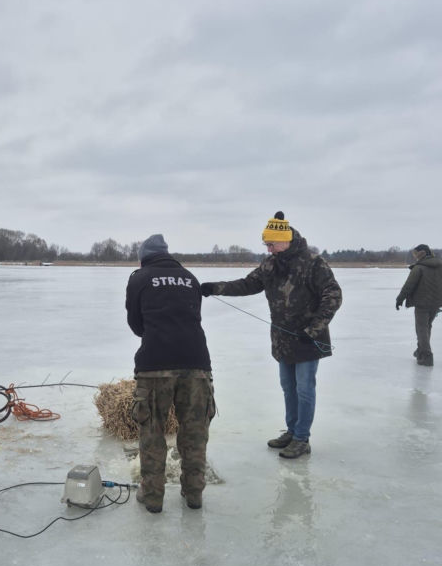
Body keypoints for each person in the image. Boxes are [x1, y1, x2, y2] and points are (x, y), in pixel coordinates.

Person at [200, 211, 342, 459]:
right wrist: (216, 288)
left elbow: (333, 295)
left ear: (285, 240)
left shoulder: (313, 262)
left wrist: (315, 329)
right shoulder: (270, 264)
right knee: (288, 387)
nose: (268, 249)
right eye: (266, 245)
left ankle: (301, 439)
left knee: (305, 389)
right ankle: (292, 430)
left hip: (307, 338)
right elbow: (248, 284)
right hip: (282, 339)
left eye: (271, 244)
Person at [126, 234, 215, 513]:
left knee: (152, 432)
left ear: (144, 256)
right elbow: (194, 316)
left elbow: (135, 321)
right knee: (194, 433)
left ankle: (152, 497)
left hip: (154, 365)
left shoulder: (139, 278)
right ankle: (194, 494)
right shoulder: (190, 277)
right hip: (197, 364)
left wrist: (155, 336)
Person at [396, 244, 442, 367]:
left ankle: (426, 356)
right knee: (426, 327)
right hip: (436, 303)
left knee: (421, 329)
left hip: (422, 304)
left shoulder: (419, 268)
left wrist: (400, 299)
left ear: (421, 254)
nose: (415, 257)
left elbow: (408, 286)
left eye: (415, 255)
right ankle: (420, 350)